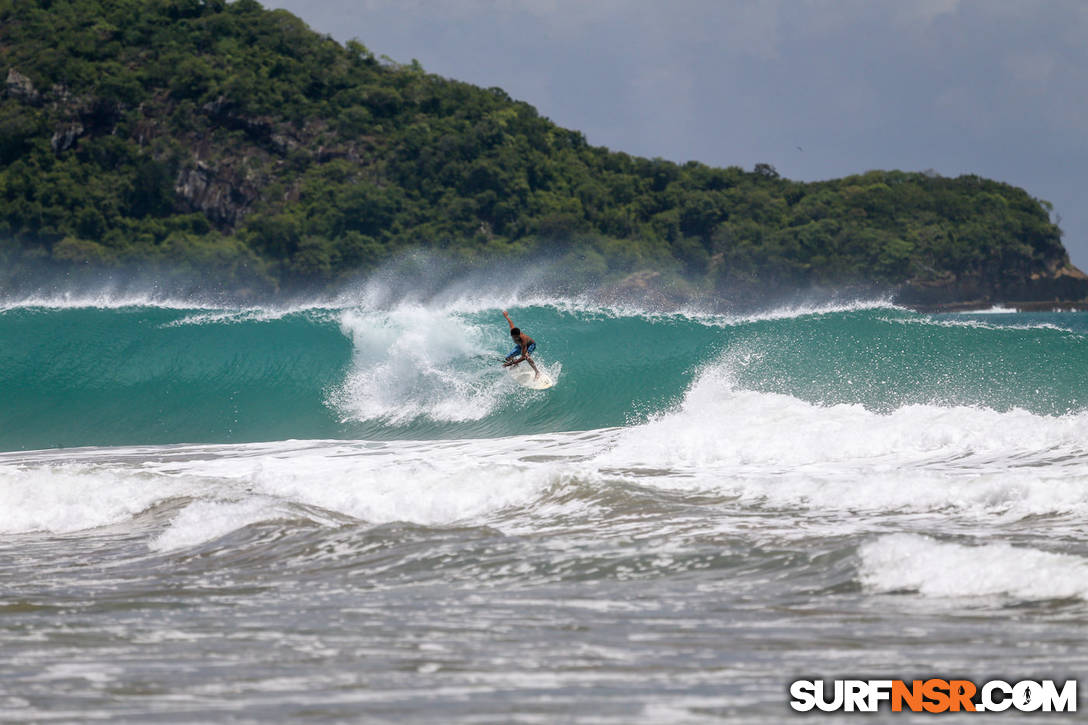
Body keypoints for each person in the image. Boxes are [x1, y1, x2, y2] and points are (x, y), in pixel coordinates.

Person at [501, 309, 539, 378]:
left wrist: (510, 364)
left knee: (527, 357)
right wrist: (506, 316)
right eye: (513, 337)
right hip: (519, 345)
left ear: (519, 335)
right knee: (508, 357)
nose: (514, 338)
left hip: (530, 345)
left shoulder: (523, 340)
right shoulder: (513, 330)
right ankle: (516, 365)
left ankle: (537, 372)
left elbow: (523, 357)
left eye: (516, 337)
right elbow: (510, 323)